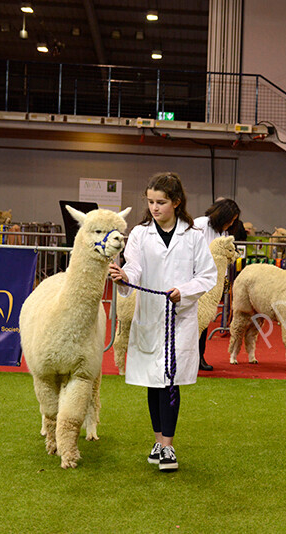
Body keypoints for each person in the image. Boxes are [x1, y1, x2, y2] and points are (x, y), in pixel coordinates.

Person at [109, 172, 217, 472]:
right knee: (153, 381)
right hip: (149, 316)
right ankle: (158, 441)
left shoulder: (194, 236)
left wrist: (185, 291)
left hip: (179, 317)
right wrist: (123, 276)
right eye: (151, 202)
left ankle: (168, 446)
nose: (155, 208)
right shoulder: (141, 234)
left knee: (170, 379)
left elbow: (207, 275)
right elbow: (135, 269)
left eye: (161, 202)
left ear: (176, 202)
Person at [193, 197, 241, 371]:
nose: (231, 223)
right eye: (231, 219)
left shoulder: (223, 233)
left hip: (212, 282)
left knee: (204, 321)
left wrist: (225, 279)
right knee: (193, 321)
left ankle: (199, 356)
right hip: (195, 279)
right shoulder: (199, 225)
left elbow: (223, 260)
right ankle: (191, 357)